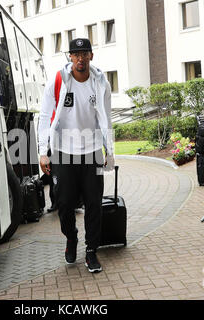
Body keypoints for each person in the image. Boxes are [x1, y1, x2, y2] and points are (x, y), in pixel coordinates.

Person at [38, 38, 114, 273]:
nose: (80, 58)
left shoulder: (101, 83)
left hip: (91, 152)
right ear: (70, 57)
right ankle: (71, 238)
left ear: (92, 55)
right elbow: (44, 116)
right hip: (63, 152)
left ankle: (91, 251)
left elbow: (106, 118)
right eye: (75, 54)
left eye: (84, 53)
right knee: (64, 203)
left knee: (94, 203)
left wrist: (109, 150)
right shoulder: (59, 81)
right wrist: (43, 152)